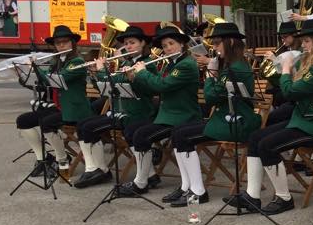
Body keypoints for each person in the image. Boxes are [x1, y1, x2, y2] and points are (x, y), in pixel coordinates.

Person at [233, 17, 313, 215]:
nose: (303, 45)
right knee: (256, 137)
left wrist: (285, 69)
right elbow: (291, 87)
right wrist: (284, 68)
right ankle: (252, 195)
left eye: (307, 41)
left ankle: (284, 198)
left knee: (267, 146)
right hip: (303, 120)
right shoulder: (311, 64)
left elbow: (290, 92)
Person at [164, 23, 262, 210]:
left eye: (217, 43)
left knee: (182, 135)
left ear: (230, 42)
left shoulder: (236, 67)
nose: (215, 47)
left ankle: (198, 191)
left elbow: (211, 97)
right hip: (224, 119)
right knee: (178, 132)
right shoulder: (231, 64)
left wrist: (211, 75)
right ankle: (187, 186)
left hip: (236, 123)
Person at [118, 25, 202, 196]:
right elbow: (154, 86)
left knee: (141, 135)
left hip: (183, 116)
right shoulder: (171, 64)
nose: (168, 48)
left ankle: (141, 182)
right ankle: (150, 179)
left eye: (171, 44)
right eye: (164, 46)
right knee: (135, 131)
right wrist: (134, 77)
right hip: (168, 115)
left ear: (181, 44)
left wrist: (142, 73)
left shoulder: (186, 64)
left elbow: (162, 85)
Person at [72, 25, 157, 189]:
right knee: (83, 124)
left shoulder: (148, 64)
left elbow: (140, 86)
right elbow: (105, 90)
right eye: (126, 43)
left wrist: (103, 71)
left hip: (138, 113)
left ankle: (104, 171)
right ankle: (97, 169)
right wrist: (95, 74)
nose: (128, 46)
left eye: (132, 42)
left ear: (143, 43)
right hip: (121, 112)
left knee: (94, 128)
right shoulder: (126, 62)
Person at [15, 25, 94, 177]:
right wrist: (24, 75)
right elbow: (42, 85)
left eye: (65, 42)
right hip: (59, 107)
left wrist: (36, 68)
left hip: (75, 110)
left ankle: (63, 159)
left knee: (47, 123)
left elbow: (57, 79)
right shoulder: (56, 62)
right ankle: (43, 159)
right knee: (23, 121)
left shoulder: (77, 62)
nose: (61, 45)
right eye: (58, 43)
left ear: (72, 43)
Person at [265, 21, 302, 126]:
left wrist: (275, 60)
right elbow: (279, 74)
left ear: (294, 35)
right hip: (285, 84)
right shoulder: (285, 50)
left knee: (277, 97)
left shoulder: (300, 51)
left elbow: (292, 72)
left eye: (285, 37)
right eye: (281, 37)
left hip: (293, 89)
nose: (283, 40)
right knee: (268, 92)